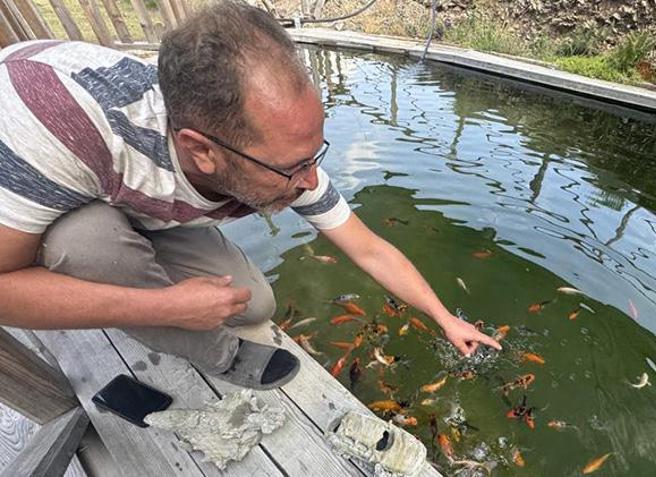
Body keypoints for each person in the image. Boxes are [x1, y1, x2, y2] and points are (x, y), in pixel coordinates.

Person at [0, 1, 501, 390]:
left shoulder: (275, 152)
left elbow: (369, 248)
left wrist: (443, 318)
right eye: (292, 168)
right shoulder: (59, 130)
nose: (310, 181)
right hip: (40, 174)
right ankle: (207, 353)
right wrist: (165, 309)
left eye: (313, 155)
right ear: (201, 150)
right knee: (85, 243)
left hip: (129, 198)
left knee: (253, 305)